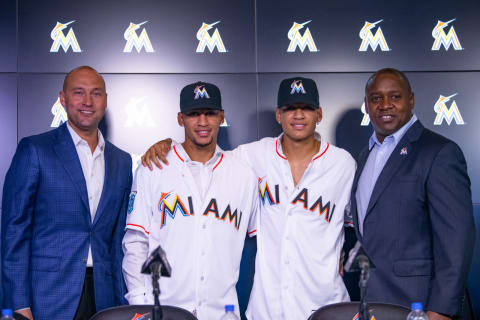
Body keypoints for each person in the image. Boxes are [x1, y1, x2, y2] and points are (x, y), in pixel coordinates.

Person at [141, 77, 356, 319]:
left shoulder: (343, 164)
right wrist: (168, 145)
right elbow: (204, 154)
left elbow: (361, 226)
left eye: (306, 108)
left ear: (319, 114)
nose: (298, 115)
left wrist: (342, 253)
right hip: (268, 308)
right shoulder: (250, 157)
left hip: (325, 303)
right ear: (278, 114)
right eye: (290, 108)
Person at [1, 66, 132, 320]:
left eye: (96, 93)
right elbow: (14, 232)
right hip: (47, 297)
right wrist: (18, 303)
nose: (87, 101)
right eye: (78, 93)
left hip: (105, 300)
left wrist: (122, 303)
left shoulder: (122, 161)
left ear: (105, 100)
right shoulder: (35, 150)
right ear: (62, 99)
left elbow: (118, 243)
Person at [122, 81, 259, 320]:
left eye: (210, 113)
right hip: (164, 310)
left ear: (222, 117)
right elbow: (135, 243)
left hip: (222, 313)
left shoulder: (243, 174)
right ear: (180, 118)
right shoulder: (153, 168)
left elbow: (270, 240)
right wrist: (140, 305)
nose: (203, 122)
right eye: (194, 114)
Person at [351, 68, 475, 320]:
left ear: (411, 100)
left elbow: (456, 241)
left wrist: (441, 310)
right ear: (366, 105)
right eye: (376, 98)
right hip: (372, 303)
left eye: (395, 97)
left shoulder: (439, 152)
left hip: (418, 306)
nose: (385, 105)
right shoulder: (366, 155)